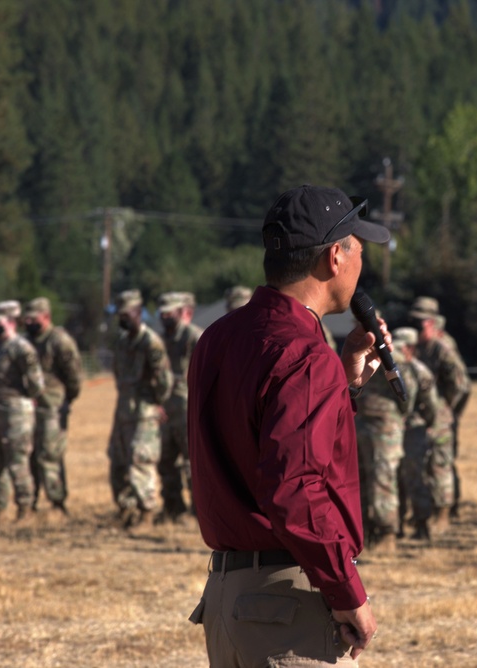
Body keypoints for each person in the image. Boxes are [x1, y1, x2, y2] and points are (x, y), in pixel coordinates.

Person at [187, 185, 388, 666]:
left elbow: (259, 440)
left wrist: (345, 385)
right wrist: (347, 593)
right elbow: (295, 486)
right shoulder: (303, 354)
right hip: (286, 608)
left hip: (226, 599)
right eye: (359, 248)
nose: (364, 263)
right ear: (335, 258)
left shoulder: (217, 337)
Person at [355, 326, 427, 553]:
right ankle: (367, 532)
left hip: (383, 427)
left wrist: (400, 414)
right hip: (366, 425)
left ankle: (387, 533)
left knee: (382, 480)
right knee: (367, 479)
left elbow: (407, 392)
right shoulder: (356, 354)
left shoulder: (388, 358)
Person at [108, 289, 173, 530]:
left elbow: (164, 379)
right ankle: (126, 509)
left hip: (144, 411)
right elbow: (118, 373)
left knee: (140, 460)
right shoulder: (123, 342)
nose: (122, 319)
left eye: (126, 314)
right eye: (119, 315)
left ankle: (147, 512)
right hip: (124, 409)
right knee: (118, 460)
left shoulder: (151, 343)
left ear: (138, 312)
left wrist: (157, 403)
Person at [409, 296, 470, 531]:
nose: (416, 327)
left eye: (420, 323)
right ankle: (424, 514)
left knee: (440, 466)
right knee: (421, 465)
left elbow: (461, 384)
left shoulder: (442, 348)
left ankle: (443, 514)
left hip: (441, 417)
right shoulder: (419, 347)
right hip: (422, 416)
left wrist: (448, 410)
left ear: (432, 323)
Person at [0, 300, 45, 522]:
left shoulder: (22, 349)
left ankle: (25, 509)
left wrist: (26, 399)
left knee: (17, 462)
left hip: (16, 413)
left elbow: (37, 383)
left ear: (11, 322)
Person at [22, 297, 82, 516]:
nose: (28, 323)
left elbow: (74, 377)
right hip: (29, 409)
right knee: (30, 454)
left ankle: (57, 502)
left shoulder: (59, 341)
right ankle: (30, 501)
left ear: (46, 317)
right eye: (26, 319)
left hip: (53, 408)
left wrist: (65, 401)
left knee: (50, 454)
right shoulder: (26, 341)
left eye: (33, 318)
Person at [390, 327, 443, 540]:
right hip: (396, 429)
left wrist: (427, 423)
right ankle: (397, 524)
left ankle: (422, 523)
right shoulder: (392, 368)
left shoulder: (419, 371)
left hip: (414, 431)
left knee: (415, 477)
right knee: (395, 479)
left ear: (411, 348)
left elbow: (431, 404)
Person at [157, 291, 203, 523]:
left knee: (192, 462)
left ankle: (199, 511)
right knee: (165, 462)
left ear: (180, 312)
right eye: (162, 314)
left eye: (169, 313)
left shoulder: (194, 337)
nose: (165, 318)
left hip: (188, 410)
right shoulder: (158, 340)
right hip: (164, 410)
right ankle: (173, 509)